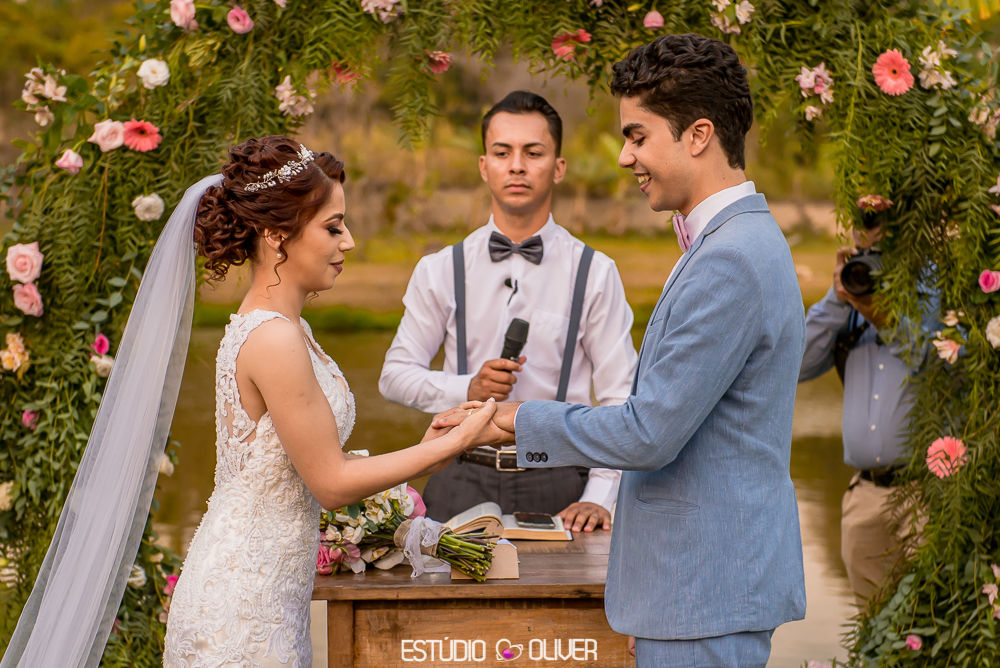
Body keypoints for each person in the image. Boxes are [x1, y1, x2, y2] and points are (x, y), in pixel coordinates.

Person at [435, 34, 807, 667]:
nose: (624, 156)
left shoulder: (730, 260)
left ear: (698, 135)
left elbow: (649, 432)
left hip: (703, 595)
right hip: (690, 591)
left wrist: (513, 419)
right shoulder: (734, 241)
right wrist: (647, 595)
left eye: (637, 136)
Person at [134, 137, 496, 667]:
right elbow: (330, 483)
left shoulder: (288, 328)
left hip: (270, 596)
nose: (349, 241)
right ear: (276, 235)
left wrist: (430, 448)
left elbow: (307, 463)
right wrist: (456, 443)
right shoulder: (274, 338)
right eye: (333, 227)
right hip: (242, 609)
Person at [379, 91, 637, 531]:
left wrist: (599, 496)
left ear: (558, 167)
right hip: (458, 471)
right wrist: (467, 387)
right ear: (484, 166)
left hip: (560, 479)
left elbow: (621, 398)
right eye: (502, 153)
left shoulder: (594, 272)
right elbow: (394, 376)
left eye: (533, 153)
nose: (517, 165)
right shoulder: (441, 269)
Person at [798, 201, 929, 606]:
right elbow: (795, 365)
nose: (869, 234)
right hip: (865, 496)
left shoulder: (933, 289)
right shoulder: (849, 300)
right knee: (871, 630)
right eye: (862, 223)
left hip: (926, 495)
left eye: (879, 221)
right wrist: (839, 297)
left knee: (929, 621)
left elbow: (935, 364)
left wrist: (884, 316)